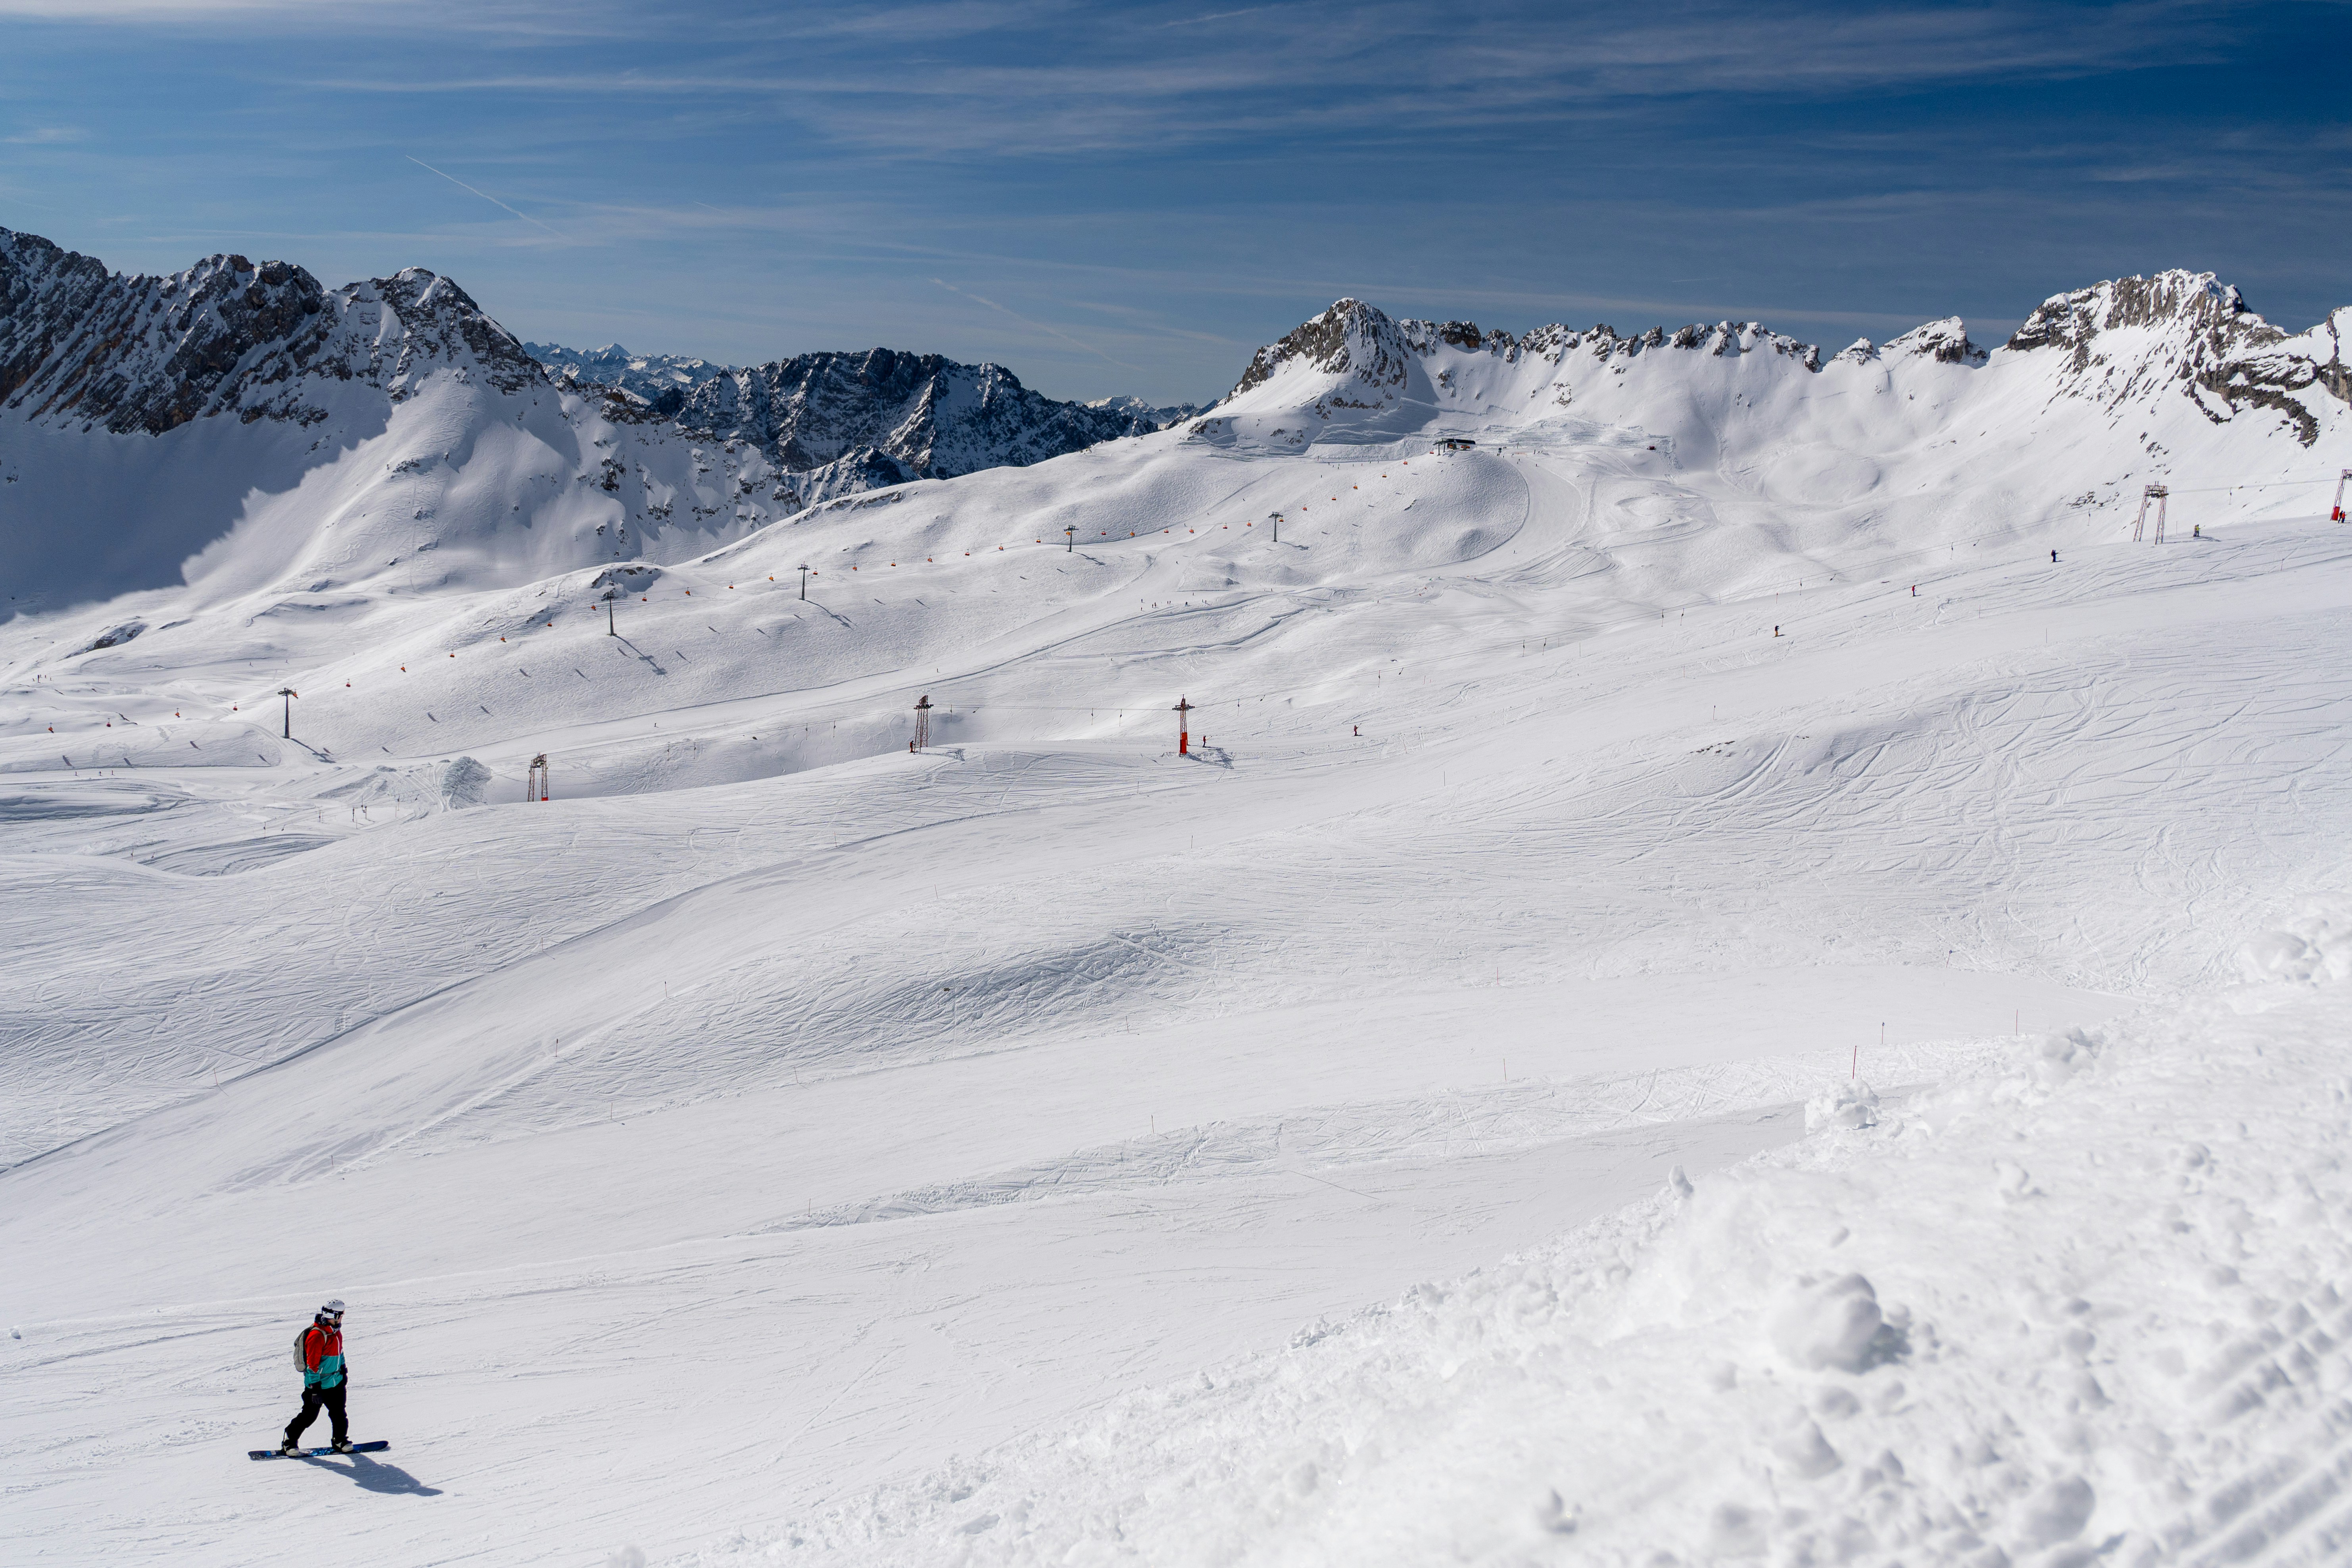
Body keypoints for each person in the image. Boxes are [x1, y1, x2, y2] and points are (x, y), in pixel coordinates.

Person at [279, 1300, 351, 1455]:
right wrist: (315, 1389)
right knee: (309, 1416)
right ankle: (289, 1440)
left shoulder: (336, 1332)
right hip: (318, 1386)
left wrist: (343, 1371)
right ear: (335, 1316)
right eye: (341, 1315)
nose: (342, 1318)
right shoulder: (317, 1335)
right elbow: (313, 1366)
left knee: (339, 1414)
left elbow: (341, 1353)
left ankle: (339, 1440)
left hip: (336, 1383)